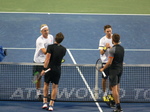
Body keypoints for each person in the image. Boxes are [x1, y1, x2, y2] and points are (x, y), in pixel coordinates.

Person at [41, 32, 66, 111]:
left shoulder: (50, 47)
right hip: (57, 70)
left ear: (55, 38)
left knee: (46, 84)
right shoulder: (64, 49)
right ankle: (51, 105)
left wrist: (44, 69)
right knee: (55, 87)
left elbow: (47, 59)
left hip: (49, 69)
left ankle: (45, 103)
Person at [100, 33, 124, 112]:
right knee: (117, 86)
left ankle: (118, 107)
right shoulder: (122, 48)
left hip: (113, 70)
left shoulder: (112, 50)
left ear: (113, 40)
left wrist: (103, 68)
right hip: (120, 69)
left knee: (114, 89)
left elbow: (109, 62)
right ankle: (116, 102)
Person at [33, 24, 54, 100]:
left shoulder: (51, 37)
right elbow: (45, 51)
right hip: (38, 61)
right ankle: (38, 93)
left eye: (47, 30)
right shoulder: (39, 40)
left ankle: (47, 93)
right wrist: (54, 54)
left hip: (47, 61)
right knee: (38, 77)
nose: (46, 32)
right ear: (41, 31)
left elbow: (52, 47)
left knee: (47, 77)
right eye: (45, 31)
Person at [98, 25, 115, 106]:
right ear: (105, 31)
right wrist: (105, 47)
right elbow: (101, 52)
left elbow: (116, 49)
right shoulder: (102, 40)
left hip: (112, 63)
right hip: (105, 63)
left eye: (110, 31)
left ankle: (111, 94)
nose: (109, 32)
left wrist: (111, 48)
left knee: (112, 80)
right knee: (104, 79)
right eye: (107, 31)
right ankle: (105, 94)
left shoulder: (114, 38)